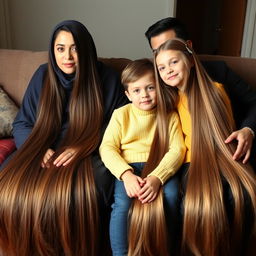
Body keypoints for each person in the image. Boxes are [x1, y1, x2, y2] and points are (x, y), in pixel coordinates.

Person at [0, 20, 128, 256]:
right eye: (60, 48)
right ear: (53, 50)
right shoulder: (42, 75)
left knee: (85, 193)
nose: (67, 56)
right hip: (42, 146)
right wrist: (37, 148)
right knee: (8, 186)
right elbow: (23, 122)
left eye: (75, 48)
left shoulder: (108, 79)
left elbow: (120, 127)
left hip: (90, 149)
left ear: (86, 49)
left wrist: (82, 147)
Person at [154, 38, 256, 256]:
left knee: (240, 196)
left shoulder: (215, 90)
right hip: (192, 162)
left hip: (222, 155)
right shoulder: (167, 101)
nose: (168, 70)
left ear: (190, 61)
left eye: (173, 62)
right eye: (161, 67)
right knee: (197, 204)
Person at [99, 58, 186, 256]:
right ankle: (120, 253)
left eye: (150, 88)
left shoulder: (169, 116)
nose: (144, 95)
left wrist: (157, 177)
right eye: (137, 90)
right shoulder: (121, 115)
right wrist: (126, 175)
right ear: (128, 94)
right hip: (129, 167)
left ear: (159, 88)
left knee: (172, 196)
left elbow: (177, 149)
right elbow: (107, 148)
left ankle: (169, 248)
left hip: (159, 166)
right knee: (122, 204)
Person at [145, 17, 256, 170]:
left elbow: (253, 102)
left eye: (170, 45)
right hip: (186, 162)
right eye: (157, 51)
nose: (165, 53)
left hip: (227, 151)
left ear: (188, 46)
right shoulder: (154, 86)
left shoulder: (219, 72)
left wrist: (248, 130)